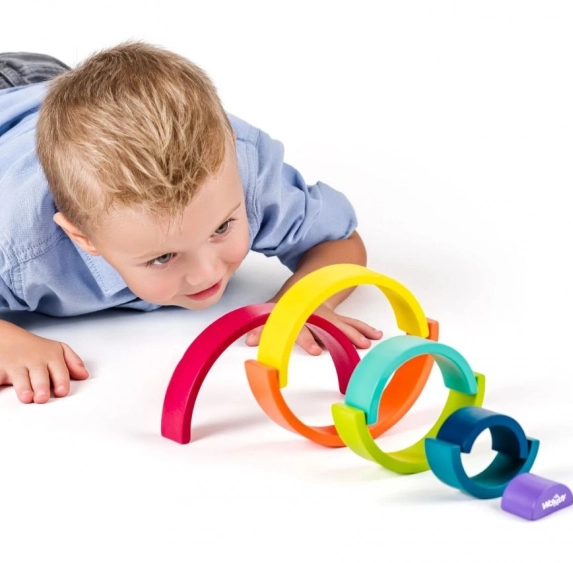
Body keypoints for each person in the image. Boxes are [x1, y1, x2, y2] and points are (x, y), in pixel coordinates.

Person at [0, 42, 382, 405]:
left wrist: (301, 300)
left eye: (221, 228)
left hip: (52, 87)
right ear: (82, 237)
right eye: (163, 257)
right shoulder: (21, 247)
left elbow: (339, 241)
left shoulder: (240, 174)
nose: (205, 274)